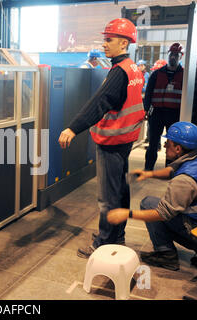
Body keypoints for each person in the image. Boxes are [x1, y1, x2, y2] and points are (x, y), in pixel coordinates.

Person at [58, 18, 145, 258]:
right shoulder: (133, 68)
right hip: (126, 139)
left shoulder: (119, 72)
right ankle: (118, 236)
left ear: (124, 43)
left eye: (109, 40)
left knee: (107, 196)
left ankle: (104, 243)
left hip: (112, 141)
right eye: (104, 39)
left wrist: (73, 128)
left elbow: (99, 103)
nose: (104, 44)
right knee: (121, 191)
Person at [107, 122, 197, 271]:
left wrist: (127, 213)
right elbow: (174, 169)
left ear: (178, 148)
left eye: (168, 143)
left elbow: (163, 213)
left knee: (149, 204)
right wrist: (149, 174)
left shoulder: (184, 181)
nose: (164, 146)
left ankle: (166, 255)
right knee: (156, 205)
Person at [144, 43, 184, 171]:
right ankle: (148, 168)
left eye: (176, 55)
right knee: (153, 143)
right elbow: (148, 93)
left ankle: (169, 169)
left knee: (172, 145)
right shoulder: (156, 74)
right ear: (168, 55)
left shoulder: (184, 75)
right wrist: (146, 109)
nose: (173, 57)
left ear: (181, 56)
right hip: (157, 113)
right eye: (171, 54)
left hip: (174, 114)